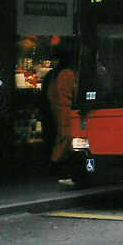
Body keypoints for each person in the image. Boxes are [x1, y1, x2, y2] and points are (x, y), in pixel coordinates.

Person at [47, 46, 76, 181]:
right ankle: (56, 163)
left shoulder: (55, 74)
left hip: (58, 108)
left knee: (62, 137)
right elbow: (71, 92)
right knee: (66, 138)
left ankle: (55, 163)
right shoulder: (68, 74)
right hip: (66, 109)